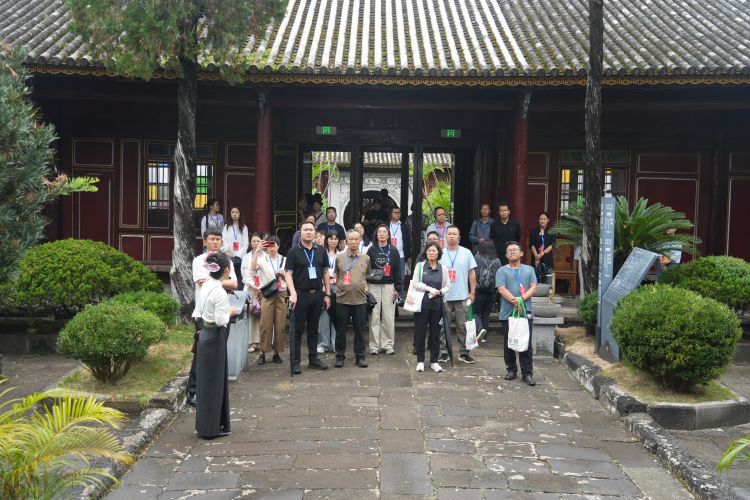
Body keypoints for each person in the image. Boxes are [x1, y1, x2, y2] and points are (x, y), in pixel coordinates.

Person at [188, 228, 238, 408]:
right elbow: (208, 283)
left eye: (218, 239)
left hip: (222, 311)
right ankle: (193, 391)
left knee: (219, 351)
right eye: (212, 239)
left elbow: (234, 283)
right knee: (201, 353)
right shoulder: (199, 261)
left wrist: (216, 281)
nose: (215, 242)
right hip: (204, 313)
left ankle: (214, 389)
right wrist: (223, 282)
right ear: (205, 241)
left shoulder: (226, 260)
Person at [194, 251, 238, 438]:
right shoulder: (219, 291)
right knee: (214, 382)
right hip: (214, 337)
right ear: (226, 270)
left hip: (205, 334)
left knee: (206, 382)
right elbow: (221, 320)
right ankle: (211, 428)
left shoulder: (206, 285)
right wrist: (231, 312)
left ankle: (205, 425)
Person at [284, 221, 331, 374]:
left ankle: (313, 359)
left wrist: (327, 294)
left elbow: (325, 273)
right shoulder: (293, 252)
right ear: (300, 232)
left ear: (315, 232)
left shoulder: (321, 251)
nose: (309, 232)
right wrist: (292, 293)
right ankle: (295, 362)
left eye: (311, 229)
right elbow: (288, 274)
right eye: (305, 230)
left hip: (317, 294)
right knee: (297, 330)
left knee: (313, 329)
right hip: (300, 295)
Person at [496, 241, 538, 386]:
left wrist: (522, 299)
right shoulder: (501, 271)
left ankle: (527, 373)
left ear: (521, 253)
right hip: (507, 312)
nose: (512, 252)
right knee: (509, 341)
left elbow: (533, 287)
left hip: (526, 311)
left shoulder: (529, 270)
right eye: (509, 250)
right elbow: (501, 289)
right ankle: (511, 369)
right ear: (506, 255)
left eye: (515, 249)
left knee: (526, 342)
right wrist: (515, 301)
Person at [438, 226, 478, 364]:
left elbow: (471, 273)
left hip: (462, 296)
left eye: (454, 234)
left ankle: (464, 352)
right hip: (444, 296)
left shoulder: (466, 253)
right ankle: (443, 352)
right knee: (443, 326)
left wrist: (472, 292)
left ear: (459, 237)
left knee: (463, 326)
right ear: (445, 237)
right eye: (449, 234)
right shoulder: (440, 253)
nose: (451, 236)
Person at [333, 230, 371, 368]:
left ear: (360, 240)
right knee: (341, 330)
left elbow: (366, 276)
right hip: (342, 299)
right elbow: (337, 276)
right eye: (351, 239)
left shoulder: (365, 258)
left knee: (360, 330)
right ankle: (339, 356)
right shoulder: (339, 257)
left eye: (356, 239)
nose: (353, 242)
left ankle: (360, 357)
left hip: (360, 300)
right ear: (346, 241)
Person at [412, 242, 451, 373]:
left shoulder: (443, 268)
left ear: (438, 252)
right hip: (421, 304)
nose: (431, 253)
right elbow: (416, 283)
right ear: (426, 253)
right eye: (429, 250)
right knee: (420, 332)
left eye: (434, 250)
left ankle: (434, 361)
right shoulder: (420, 266)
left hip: (437, 305)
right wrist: (430, 289)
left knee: (435, 333)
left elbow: (448, 286)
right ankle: (420, 361)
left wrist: (439, 292)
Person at [367, 224, 402, 355]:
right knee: (374, 316)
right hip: (373, 285)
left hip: (389, 286)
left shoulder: (394, 251)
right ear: (376, 235)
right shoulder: (371, 250)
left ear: (388, 235)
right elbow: (367, 269)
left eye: (384, 232)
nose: (382, 234)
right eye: (379, 232)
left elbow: (398, 271)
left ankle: (387, 345)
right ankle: (374, 346)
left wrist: (397, 289)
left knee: (388, 316)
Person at [252, 235, 286, 365]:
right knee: (265, 324)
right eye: (269, 244)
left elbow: (290, 277)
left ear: (278, 246)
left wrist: (283, 275)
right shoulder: (262, 259)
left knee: (280, 324)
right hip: (268, 293)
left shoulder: (285, 259)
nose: (272, 247)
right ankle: (262, 352)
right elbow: (253, 268)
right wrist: (257, 250)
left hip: (282, 293)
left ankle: (277, 352)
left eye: (274, 244)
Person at [474, 241, 502, 343]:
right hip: (492, 292)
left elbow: (473, 273)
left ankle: (479, 329)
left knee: (476, 313)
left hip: (479, 290)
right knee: (486, 314)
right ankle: (484, 337)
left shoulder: (477, 258)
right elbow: (499, 274)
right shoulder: (497, 260)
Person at [241, 232, 264, 353]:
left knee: (264, 315)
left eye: (258, 241)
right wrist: (255, 286)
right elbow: (244, 276)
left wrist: (262, 287)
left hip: (264, 289)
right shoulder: (246, 257)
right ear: (250, 243)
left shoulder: (266, 256)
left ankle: (264, 342)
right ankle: (253, 343)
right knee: (252, 316)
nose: (256, 243)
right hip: (251, 288)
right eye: (254, 241)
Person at [317, 231, 340, 353]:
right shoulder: (321, 253)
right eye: (331, 238)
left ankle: (336, 343)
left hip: (338, 286)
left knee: (337, 315)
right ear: (326, 240)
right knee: (324, 315)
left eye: (336, 238)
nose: (333, 241)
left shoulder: (342, 254)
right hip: (323, 286)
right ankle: (323, 343)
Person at [222, 207, 249, 286]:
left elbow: (245, 243)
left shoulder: (244, 227)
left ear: (240, 214)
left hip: (240, 257)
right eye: (232, 212)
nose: (234, 214)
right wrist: (228, 251)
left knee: (240, 277)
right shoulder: (226, 226)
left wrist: (237, 255)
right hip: (229, 255)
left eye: (236, 212)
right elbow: (224, 240)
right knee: (229, 276)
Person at [529, 212, 556, 284]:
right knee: (536, 282)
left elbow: (552, 245)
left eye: (544, 219)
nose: (542, 221)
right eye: (541, 219)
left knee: (549, 283)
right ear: (538, 220)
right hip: (536, 260)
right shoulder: (534, 231)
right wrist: (536, 256)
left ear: (548, 220)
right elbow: (531, 245)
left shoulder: (551, 231)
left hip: (547, 259)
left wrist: (542, 254)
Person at [388, 206, 410, 286]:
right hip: (388, 255)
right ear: (391, 214)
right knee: (388, 275)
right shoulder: (386, 225)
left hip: (401, 255)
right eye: (395, 212)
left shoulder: (404, 226)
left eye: (399, 213)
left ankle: (400, 293)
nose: (398, 214)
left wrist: (408, 255)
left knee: (401, 277)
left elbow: (408, 241)